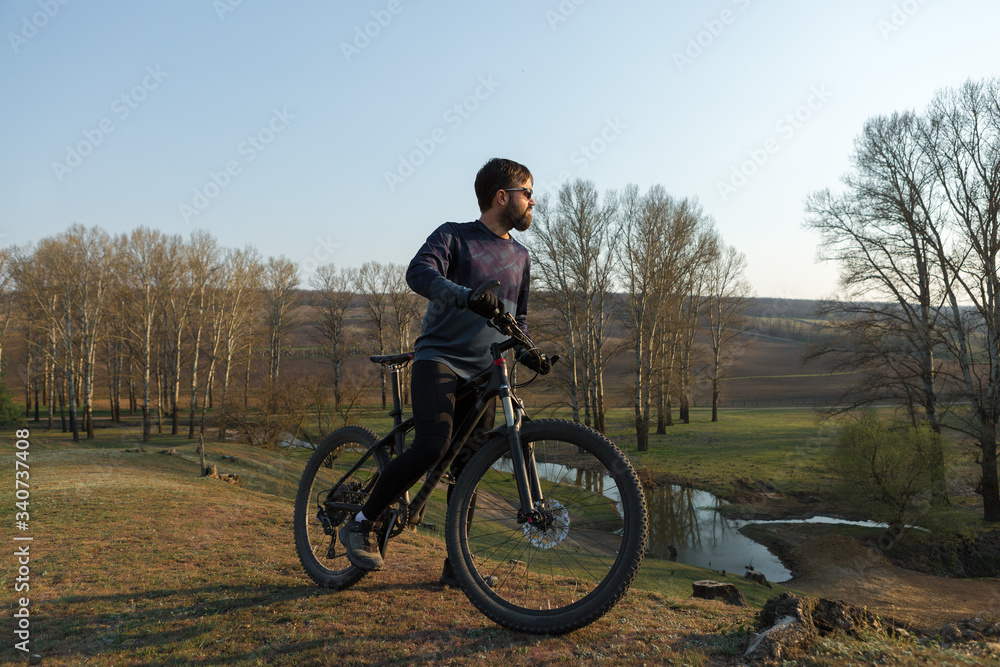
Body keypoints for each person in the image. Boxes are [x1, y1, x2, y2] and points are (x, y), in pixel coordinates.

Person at [339, 157, 549, 580]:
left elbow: (518, 317)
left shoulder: (522, 256)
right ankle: (361, 523)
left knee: (468, 466)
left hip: (486, 373)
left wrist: (528, 350)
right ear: (501, 196)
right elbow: (418, 272)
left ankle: (457, 566)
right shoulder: (454, 236)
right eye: (528, 193)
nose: (533, 203)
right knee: (432, 445)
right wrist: (465, 295)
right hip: (440, 358)